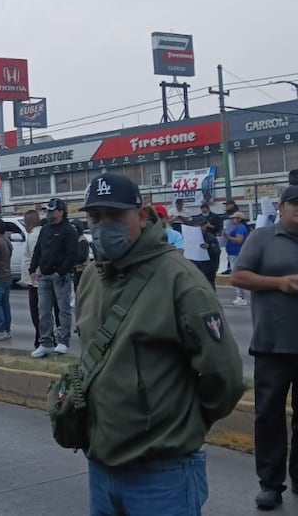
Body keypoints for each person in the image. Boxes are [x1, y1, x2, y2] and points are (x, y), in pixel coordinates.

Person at [77, 172, 243, 514]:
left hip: (163, 473)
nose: (104, 226)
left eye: (115, 216)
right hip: (101, 467)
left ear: (141, 215)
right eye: (95, 217)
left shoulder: (180, 279)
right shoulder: (92, 276)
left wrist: (180, 426)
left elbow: (223, 375)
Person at [231, 184, 298, 509]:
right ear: (281, 208)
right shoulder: (262, 238)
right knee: (269, 416)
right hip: (272, 345)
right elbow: (239, 277)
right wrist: (279, 283)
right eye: (294, 204)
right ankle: (271, 484)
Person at [29, 198, 79, 358]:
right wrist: (32, 268)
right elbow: (38, 250)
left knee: (63, 310)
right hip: (44, 275)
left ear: (61, 212)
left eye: (52, 210)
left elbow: (73, 254)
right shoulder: (45, 229)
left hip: (61, 276)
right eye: (48, 211)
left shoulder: (69, 230)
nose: (49, 213)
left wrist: (61, 271)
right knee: (43, 310)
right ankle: (46, 343)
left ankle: (63, 341)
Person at [22, 210, 56, 349]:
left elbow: (38, 257)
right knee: (41, 312)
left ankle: (44, 339)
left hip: (36, 281)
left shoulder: (34, 236)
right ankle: (42, 337)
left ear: (28, 223)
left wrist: (35, 277)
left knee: (38, 313)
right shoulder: (38, 234)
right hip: (36, 280)